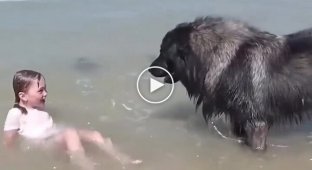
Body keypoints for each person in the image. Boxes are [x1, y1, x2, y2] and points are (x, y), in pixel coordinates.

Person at [3, 70, 142, 170]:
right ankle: (87, 166)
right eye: (40, 91)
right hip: (43, 142)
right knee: (70, 133)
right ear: (23, 96)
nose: (46, 93)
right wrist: (13, 158)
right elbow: (9, 140)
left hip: (56, 134)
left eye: (45, 89)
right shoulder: (15, 113)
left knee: (95, 135)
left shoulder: (39, 107)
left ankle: (125, 160)